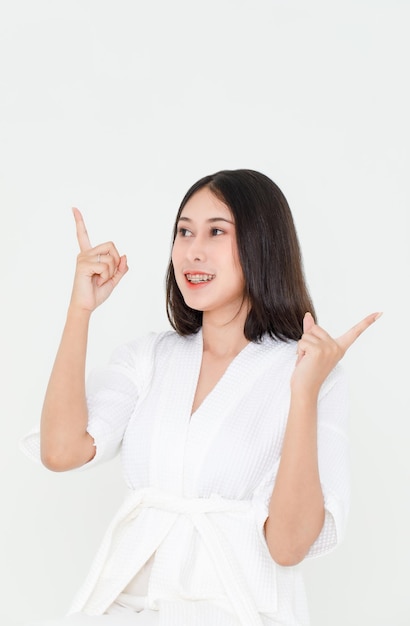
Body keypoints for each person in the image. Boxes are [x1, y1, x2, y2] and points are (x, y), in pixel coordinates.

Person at [22, 169, 381, 626]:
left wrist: (304, 393)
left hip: (240, 610)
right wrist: (80, 311)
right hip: (127, 607)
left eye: (216, 232)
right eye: (184, 231)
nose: (193, 250)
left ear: (262, 245)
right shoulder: (149, 358)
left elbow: (288, 547)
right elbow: (60, 452)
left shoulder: (313, 375)